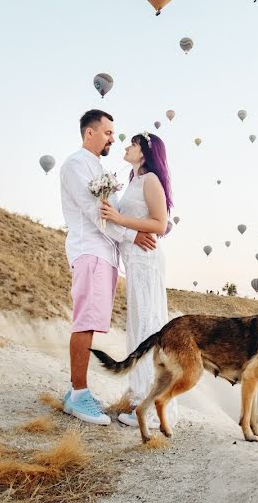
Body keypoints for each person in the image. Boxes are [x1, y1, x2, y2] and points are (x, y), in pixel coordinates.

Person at [59, 110, 157, 426]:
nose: (113, 139)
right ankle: (77, 395)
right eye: (108, 132)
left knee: (91, 321)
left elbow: (112, 211)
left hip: (106, 256)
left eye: (113, 134)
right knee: (85, 322)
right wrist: (133, 234)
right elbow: (96, 214)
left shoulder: (97, 168)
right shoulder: (76, 165)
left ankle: (77, 392)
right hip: (91, 251)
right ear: (90, 133)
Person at [99, 131, 177, 428]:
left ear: (144, 151)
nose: (127, 147)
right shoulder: (133, 180)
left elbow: (159, 224)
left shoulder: (151, 180)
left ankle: (151, 405)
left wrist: (120, 219)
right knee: (137, 327)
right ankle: (139, 395)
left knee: (148, 326)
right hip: (134, 261)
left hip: (146, 261)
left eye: (133, 144)